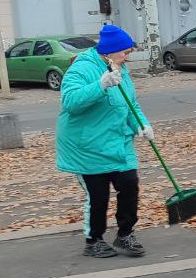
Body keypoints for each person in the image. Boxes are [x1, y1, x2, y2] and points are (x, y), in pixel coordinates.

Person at [56, 25, 152, 259]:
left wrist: (141, 124)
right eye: (125, 52)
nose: (128, 56)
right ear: (109, 52)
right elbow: (70, 102)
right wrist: (100, 85)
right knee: (98, 196)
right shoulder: (81, 68)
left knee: (129, 184)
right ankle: (94, 240)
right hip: (87, 146)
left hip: (118, 142)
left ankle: (125, 234)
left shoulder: (121, 69)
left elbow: (130, 103)